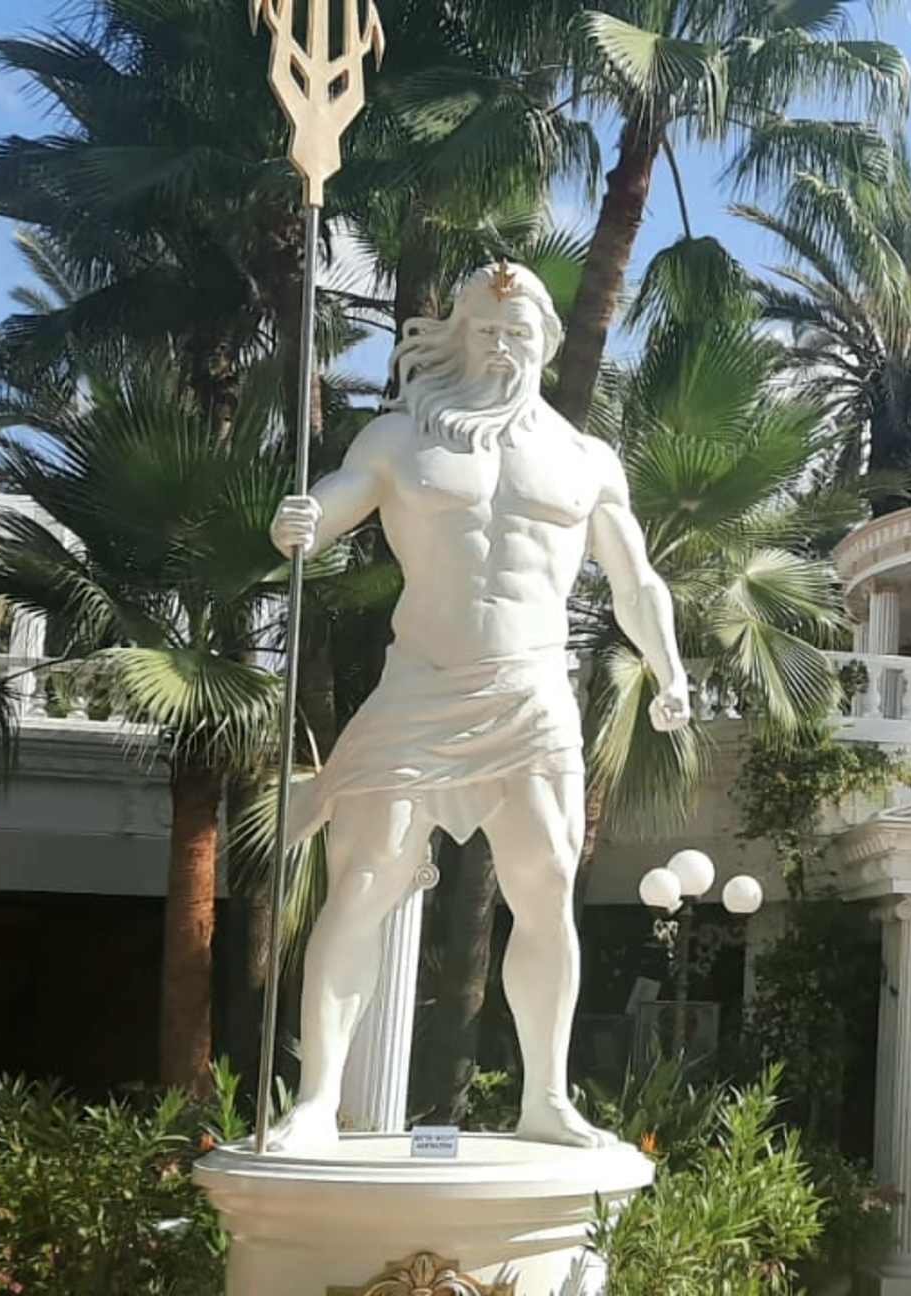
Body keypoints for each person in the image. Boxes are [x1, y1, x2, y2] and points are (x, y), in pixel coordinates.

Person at [262, 263, 690, 1151]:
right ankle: (316, 1101)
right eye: (486, 332)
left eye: (518, 334)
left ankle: (545, 1099)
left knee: (545, 889)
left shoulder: (584, 460)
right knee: (362, 884)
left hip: (531, 692)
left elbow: (636, 580)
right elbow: (336, 500)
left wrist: (670, 668)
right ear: (458, 337)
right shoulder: (398, 439)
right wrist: (300, 521)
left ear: (546, 344)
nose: (502, 348)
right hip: (419, 687)